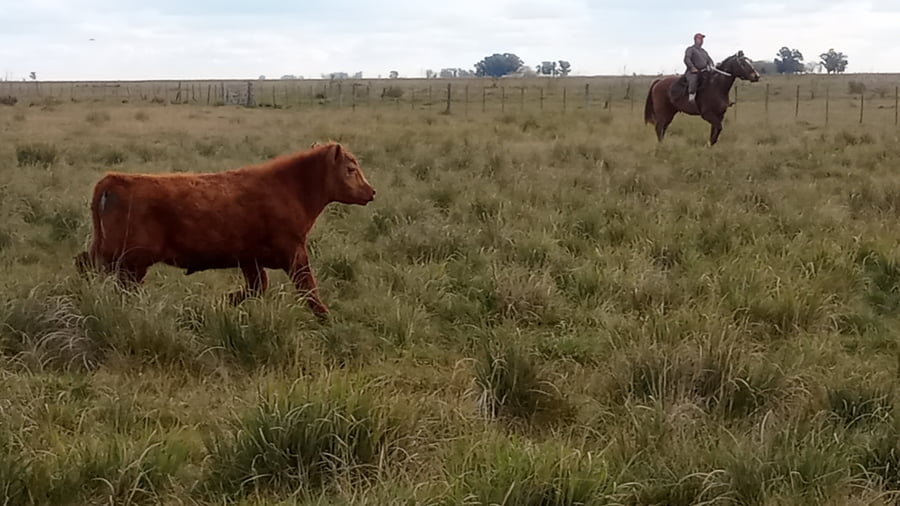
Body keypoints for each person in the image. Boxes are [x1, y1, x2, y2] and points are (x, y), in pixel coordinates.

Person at [684, 33, 715, 102]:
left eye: (702, 39)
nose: (701, 40)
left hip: (704, 71)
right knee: (693, 79)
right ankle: (691, 96)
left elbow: (710, 60)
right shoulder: (690, 49)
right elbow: (687, 59)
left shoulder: (704, 51)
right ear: (695, 40)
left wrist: (711, 65)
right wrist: (692, 67)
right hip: (693, 72)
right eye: (700, 39)